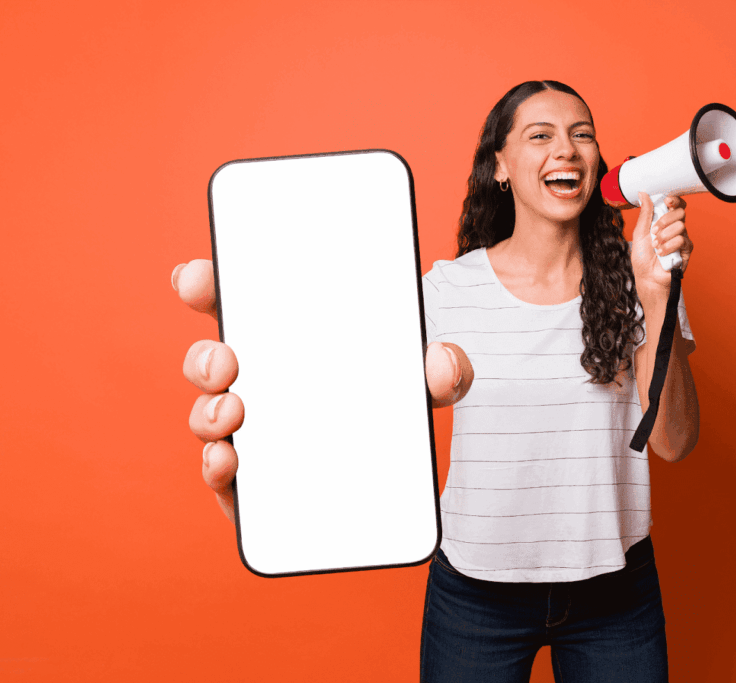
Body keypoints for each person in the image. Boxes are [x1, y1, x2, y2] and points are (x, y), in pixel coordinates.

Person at [173, 80, 698, 683]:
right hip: (477, 596)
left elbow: (675, 442)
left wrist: (656, 297)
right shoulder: (445, 290)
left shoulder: (640, 274)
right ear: (500, 166)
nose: (568, 150)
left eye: (583, 134)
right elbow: (352, 404)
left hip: (616, 591)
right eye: (541, 135)